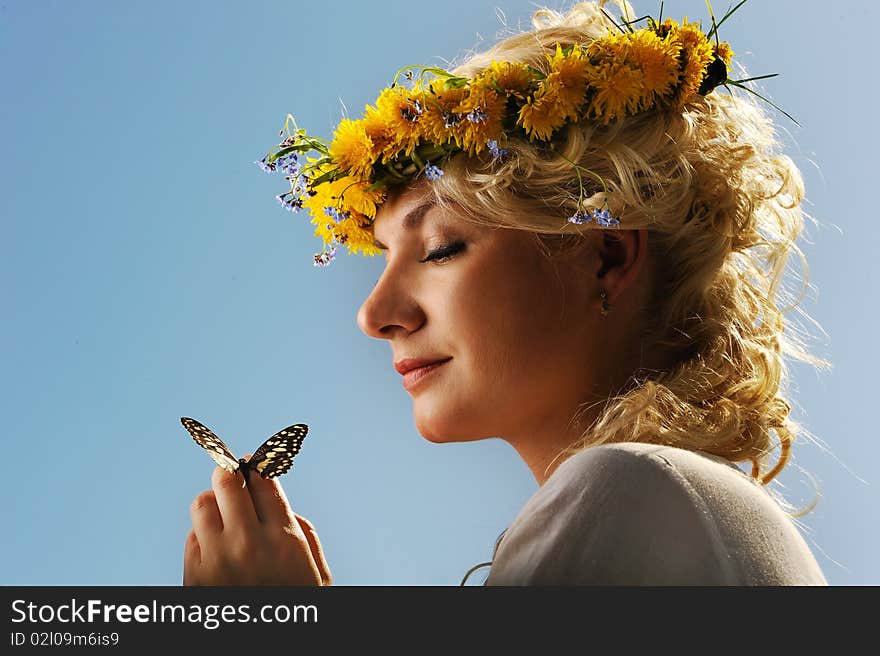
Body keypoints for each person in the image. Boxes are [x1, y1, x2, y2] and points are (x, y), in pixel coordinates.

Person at [183, 0, 829, 586]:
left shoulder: (633, 494)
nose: (373, 314)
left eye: (439, 247)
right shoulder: (687, 512)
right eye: (384, 257)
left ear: (606, 256)